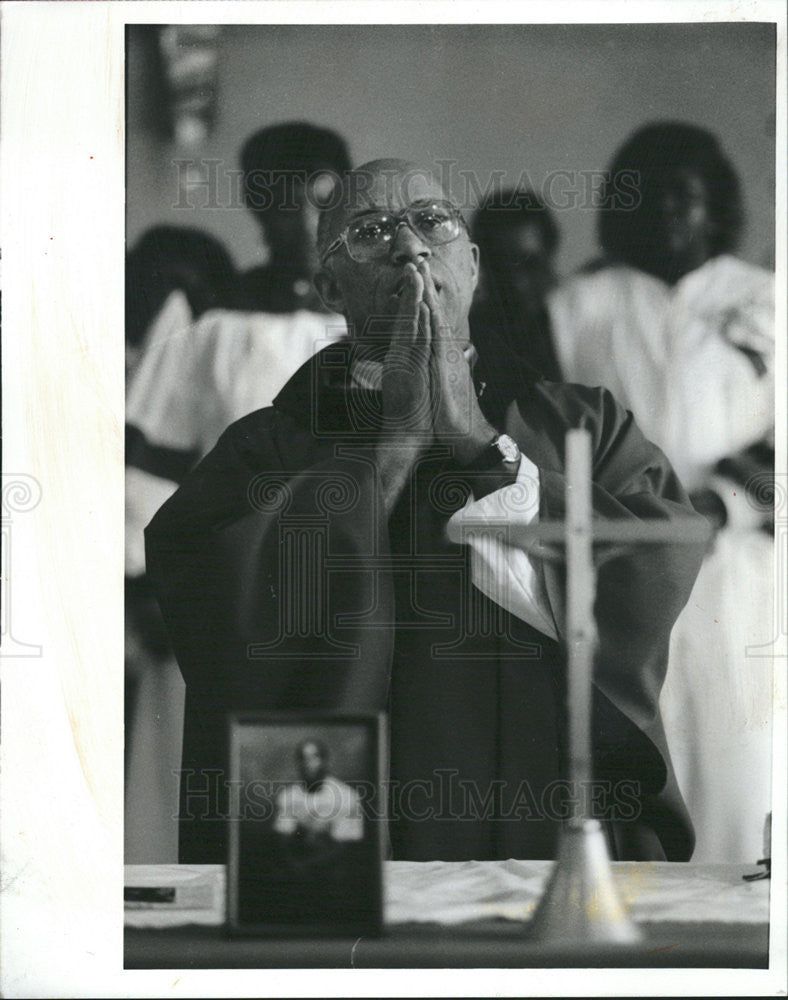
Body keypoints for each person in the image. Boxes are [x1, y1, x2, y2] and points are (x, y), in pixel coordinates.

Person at [146, 158, 706, 865]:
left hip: (543, 830)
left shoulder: (582, 424)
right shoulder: (267, 445)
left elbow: (660, 554)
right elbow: (212, 595)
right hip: (343, 844)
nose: (408, 246)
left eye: (430, 223)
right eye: (370, 232)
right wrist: (396, 444)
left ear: (471, 265)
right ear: (329, 287)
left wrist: (478, 442)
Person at [547, 122, 775, 862]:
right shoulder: (580, 304)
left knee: (744, 758)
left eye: (690, 198)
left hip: (739, 566)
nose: (672, 216)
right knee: (646, 750)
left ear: (719, 207)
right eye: (652, 199)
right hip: (625, 565)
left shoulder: (766, 300)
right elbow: (558, 425)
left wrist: (722, 501)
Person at [124, 123, 351, 861]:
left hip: (347, 583)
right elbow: (151, 465)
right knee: (212, 774)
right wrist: (148, 585)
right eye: (291, 202)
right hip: (230, 586)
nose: (311, 223)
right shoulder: (215, 325)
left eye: (328, 200)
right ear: (258, 205)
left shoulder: (372, 325)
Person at [470, 189, 562, 383]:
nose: (518, 284)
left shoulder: (584, 328)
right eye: (500, 268)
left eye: (530, 265)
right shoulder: (467, 342)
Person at [273, 740, 363, 846]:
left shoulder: (346, 796)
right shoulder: (287, 796)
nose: (307, 764)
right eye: (302, 758)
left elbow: (348, 843)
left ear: (325, 761)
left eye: (314, 757)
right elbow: (284, 838)